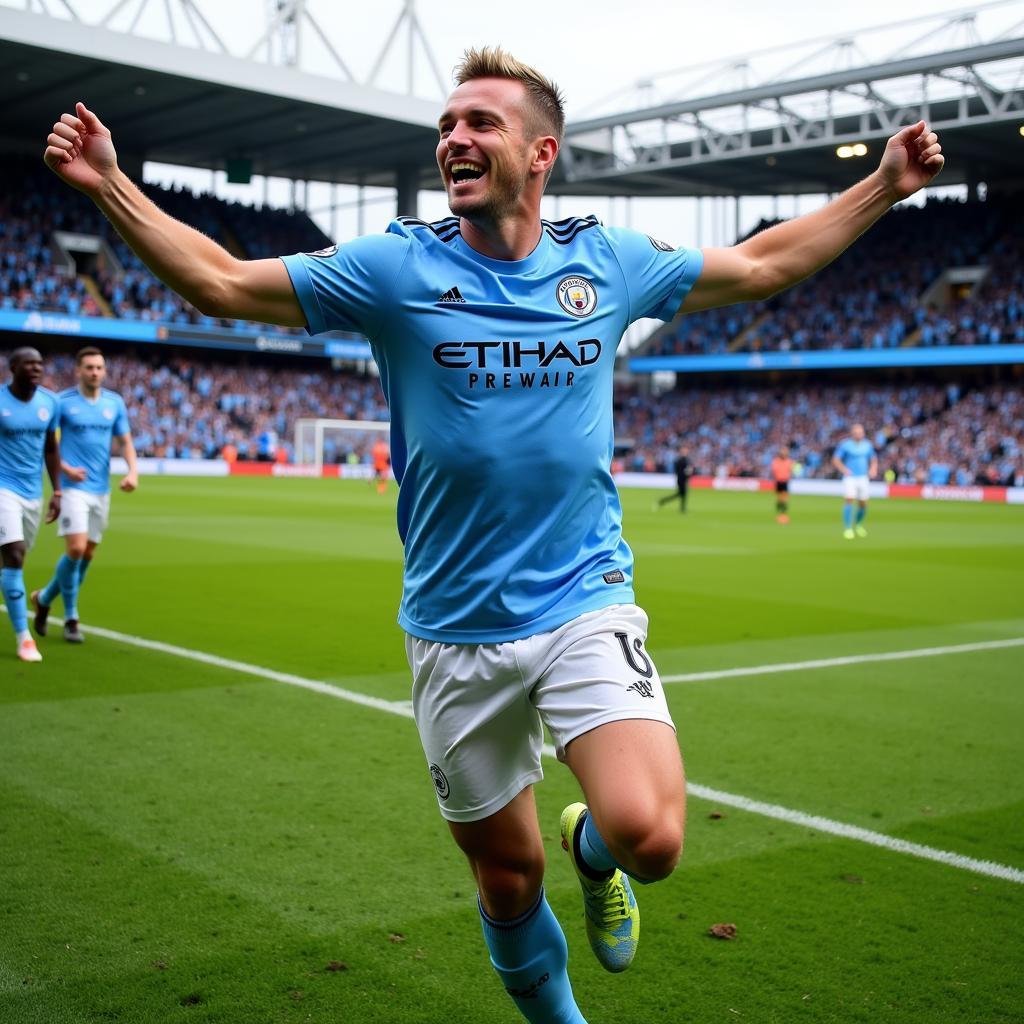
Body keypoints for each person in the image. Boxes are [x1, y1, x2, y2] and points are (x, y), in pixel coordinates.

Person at [43, 48, 944, 1023]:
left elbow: (767, 262)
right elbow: (220, 281)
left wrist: (886, 185)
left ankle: (593, 850)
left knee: (651, 836)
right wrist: (111, 185)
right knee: (507, 881)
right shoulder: (396, 266)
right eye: (446, 125)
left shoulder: (608, 263)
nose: (453, 140)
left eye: (479, 123)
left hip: (582, 599)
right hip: (454, 628)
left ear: (540, 151)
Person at [32, 347, 137, 643]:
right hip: (72, 489)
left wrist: (132, 471)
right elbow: (46, 445)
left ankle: (44, 597)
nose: (95, 372)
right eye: (89, 367)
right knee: (76, 550)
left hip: (100, 490)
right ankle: (71, 618)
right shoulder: (62, 403)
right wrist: (65, 469)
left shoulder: (114, 403)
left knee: (87, 554)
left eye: (99, 367)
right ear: (78, 370)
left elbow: (125, 440)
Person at [0, 348, 61, 662]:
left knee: (11, 559)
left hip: (32, 493)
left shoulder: (50, 403)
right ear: (13, 367)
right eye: (30, 363)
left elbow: (51, 449)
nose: (37, 368)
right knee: (15, 554)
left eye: (40, 362)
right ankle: (24, 637)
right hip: (2, 489)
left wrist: (58, 491)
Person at [832, 423, 878, 540]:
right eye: (856, 432)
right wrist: (843, 469)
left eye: (861, 432)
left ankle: (858, 524)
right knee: (849, 500)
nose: (859, 434)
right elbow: (836, 459)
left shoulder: (867, 445)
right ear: (852, 433)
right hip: (850, 477)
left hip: (863, 477)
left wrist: (873, 468)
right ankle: (848, 528)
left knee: (863, 503)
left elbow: (873, 458)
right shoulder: (845, 445)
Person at [656, 444, 693, 512]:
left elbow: (688, 469)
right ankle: (663, 501)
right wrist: (687, 472)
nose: (686, 452)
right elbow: (680, 470)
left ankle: (682, 508)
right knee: (680, 494)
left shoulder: (686, 460)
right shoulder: (680, 460)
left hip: (684, 479)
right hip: (680, 479)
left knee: (682, 494)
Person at [770, 447, 793, 523]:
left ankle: (782, 514)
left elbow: (791, 470)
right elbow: (774, 470)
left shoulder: (789, 461)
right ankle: (780, 513)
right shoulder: (776, 461)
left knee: (784, 498)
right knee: (780, 498)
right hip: (779, 481)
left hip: (785, 481)